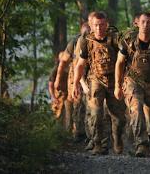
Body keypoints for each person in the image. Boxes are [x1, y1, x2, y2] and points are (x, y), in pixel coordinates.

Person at [114, 12, 150, 157]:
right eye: (143, 22)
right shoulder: (128, 40)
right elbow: (119, 63)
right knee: (136, 109)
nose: (146, 25)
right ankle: (141, 144)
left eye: (149, 22)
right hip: (133, 80)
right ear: (137, 23)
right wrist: (117, 85)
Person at [73, 11, 126, 155]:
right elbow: (80, 65)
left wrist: (122, 82)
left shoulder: (115, 39)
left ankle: (117, 139)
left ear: (106, 24)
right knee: (96, 114)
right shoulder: (86, 41)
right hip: (96, 80)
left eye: (102, 25)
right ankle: (98, 144)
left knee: (119, 117)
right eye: (96, 25)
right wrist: (76, 83)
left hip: (114, 80)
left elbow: (124, 59)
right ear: (91, 25)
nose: (99, 28)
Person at [54, 22, 90, 142]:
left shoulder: (96, 40)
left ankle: (90, 133)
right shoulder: (74, 42)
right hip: (75, 77)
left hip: (91, 76)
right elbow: (63, 61)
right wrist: (58, 79)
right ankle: (77, 133)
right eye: (85, 33)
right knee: (77, 104)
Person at [49, 52, 68, 122]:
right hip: (58, 96)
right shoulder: (55, 70)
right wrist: (53, 97)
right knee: (57, 115)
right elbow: (50, 85)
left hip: (67, 95)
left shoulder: (70, 68)